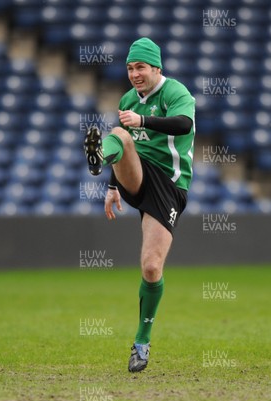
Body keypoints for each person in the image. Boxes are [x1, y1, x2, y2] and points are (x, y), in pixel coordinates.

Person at [83, 37, 195, 371]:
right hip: (137, 176)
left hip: (170, 186)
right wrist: (113, 186)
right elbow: (128, 141)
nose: (134, 73)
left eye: (140, 67)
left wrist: (143, 121)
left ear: (156, 68)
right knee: (119, 133)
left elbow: (184, 125)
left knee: (150, 267)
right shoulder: (129, 99)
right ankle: (99, 158)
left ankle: (141, 341)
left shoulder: (176, 93)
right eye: (130, 67)